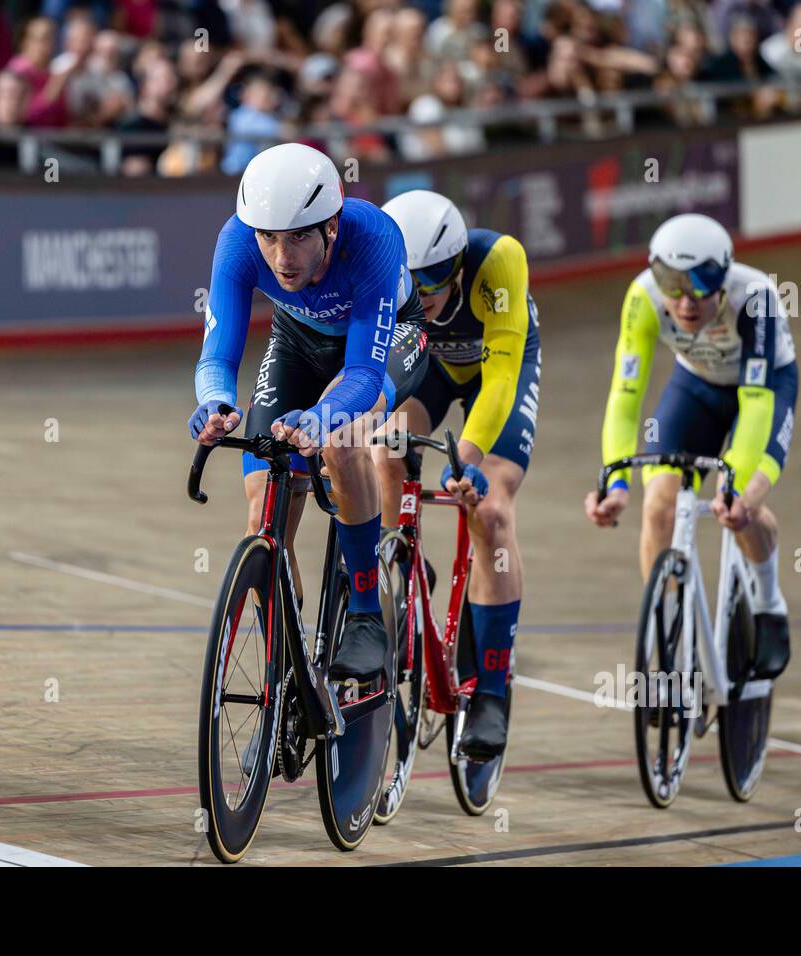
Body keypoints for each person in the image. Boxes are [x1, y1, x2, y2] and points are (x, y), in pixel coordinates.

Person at [189, 143, 428, 685]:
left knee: (341, 442)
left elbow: (365, 377)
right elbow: (216, 357)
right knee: (261, 520)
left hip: (387, 341)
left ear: (332, 228)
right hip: (298, 340)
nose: (281, 256)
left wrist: (321, 417)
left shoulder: (373, 238)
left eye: (298, 236)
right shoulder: (236, 242)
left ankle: (366, 613)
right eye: (269, 238)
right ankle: (287, 688)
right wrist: (215, 403)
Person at [585, 213, 798, 679]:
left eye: (700, 284)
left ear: (722, 277)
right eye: (671, 284)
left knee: (742, 504)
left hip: (763, 390)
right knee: (658, 501)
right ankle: (667, 639)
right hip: (695, 385)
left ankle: (768, 602)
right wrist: (615, 480)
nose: (684, 301)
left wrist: (734, 483)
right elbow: (625, 397)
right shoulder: (642, 296)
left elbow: (757, 402)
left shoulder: (754, 298)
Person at [371, 190, 540, 760]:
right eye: (412, 286)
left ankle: (491, 691)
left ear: (458, 265)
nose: (425, 297)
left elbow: (500, 380)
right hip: (433, 371)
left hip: (497, 373)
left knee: (490, 511)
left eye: (436, 284)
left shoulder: (499, 259)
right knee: (384, 450)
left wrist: (465, 457)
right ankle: (403, 559)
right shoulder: (383, 267)